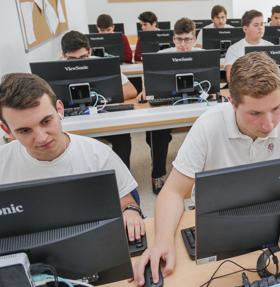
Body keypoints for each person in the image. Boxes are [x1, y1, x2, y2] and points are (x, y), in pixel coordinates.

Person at [132, 52, 280, 286]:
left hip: (276, 221)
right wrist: (162, 240)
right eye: (255, 113)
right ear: (232, 102)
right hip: (222, 227)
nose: (269, 123)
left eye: (276, 108)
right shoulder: (209, 125)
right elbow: (172, 191)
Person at [0, 73, 145, 243]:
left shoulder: (98, 154)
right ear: (6, 130)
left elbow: (127, 201)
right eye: (25, 130)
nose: (41, 138)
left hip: (91, 244)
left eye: (46, 121)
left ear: (59, 110)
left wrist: (130, 211)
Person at [142, 17, 203, 193]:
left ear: (194, 38)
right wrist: (145, 90)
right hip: (168, 105)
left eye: (188, 39)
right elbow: (149, 83)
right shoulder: (162, 57)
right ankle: (158, 174)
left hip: (196, 105)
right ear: (173, 38)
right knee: (156, 129)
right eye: (179, 39)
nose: (183, 44)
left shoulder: (202, 55)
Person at [61, 30, 137, 171]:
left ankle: (123, 176)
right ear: (64, 55)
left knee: (122, 137)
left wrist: (96, 98)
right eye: (73, 60)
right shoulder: (56, 69)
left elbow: (131, 90)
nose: (79, 64)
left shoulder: (102, 64)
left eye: (83, 57)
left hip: (101, 117)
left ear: (89, 51)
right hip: (72, 123)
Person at [224, 10, 273, 82]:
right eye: (256, 25)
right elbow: (230, 78)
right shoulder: (233, 49)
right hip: (246, 90)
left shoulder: (271, 46)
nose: (260, 27)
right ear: (245, 29)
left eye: (262, 24)